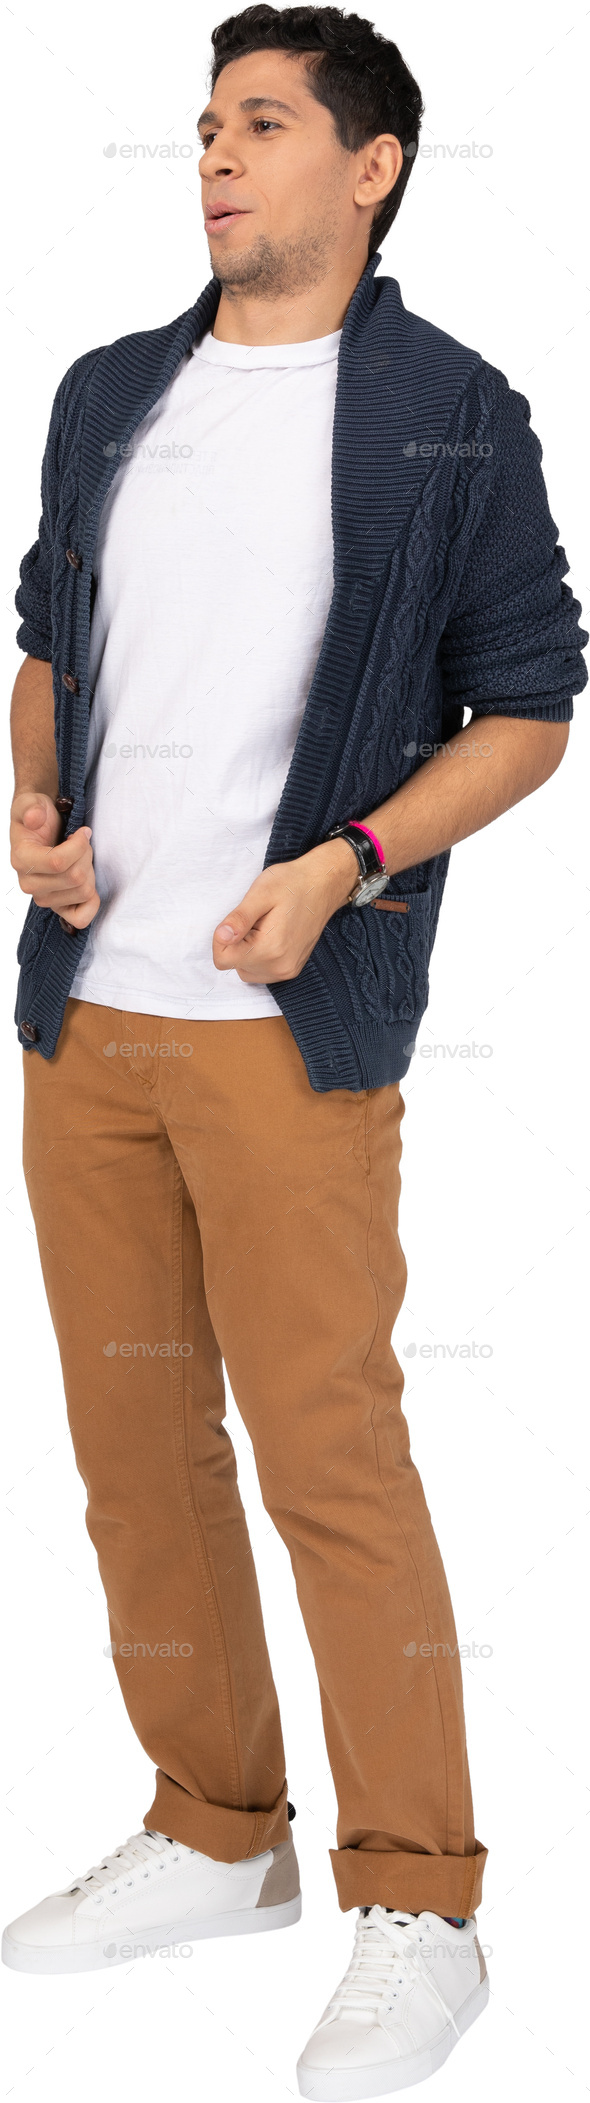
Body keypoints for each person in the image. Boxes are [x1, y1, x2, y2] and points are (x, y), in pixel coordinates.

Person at [5, 5, 587, 2094]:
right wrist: (34, 806)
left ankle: (420, 1898)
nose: (219, 157)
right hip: (88, 1026)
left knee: (329, 1452)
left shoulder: (450, 411)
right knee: (130, 1453)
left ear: (375, 167)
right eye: (204, 126)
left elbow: (528, 703)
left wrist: (346, 860)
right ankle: (211, 1824)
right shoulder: (108, 391)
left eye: (263, 123)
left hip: (281, 1025)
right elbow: (47, 645)